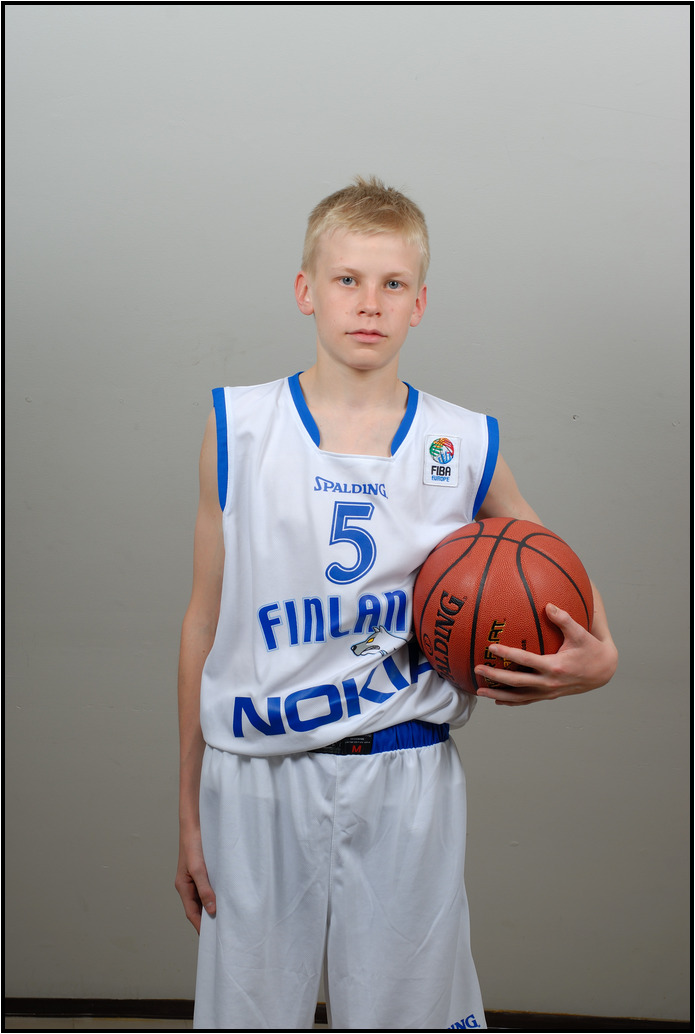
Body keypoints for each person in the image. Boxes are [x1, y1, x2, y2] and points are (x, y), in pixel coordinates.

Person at [175, 176, 618, 1031]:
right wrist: (188, 811)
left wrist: (604, 654)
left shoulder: (462, 439)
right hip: (256, 774)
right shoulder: (239, 425)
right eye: (346, 279)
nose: (368, 304)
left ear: (420, 303)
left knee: (406, 1016)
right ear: (306, 291)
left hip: (404, 769)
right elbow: (202, 620)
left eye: (392, 284)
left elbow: (548, 559)